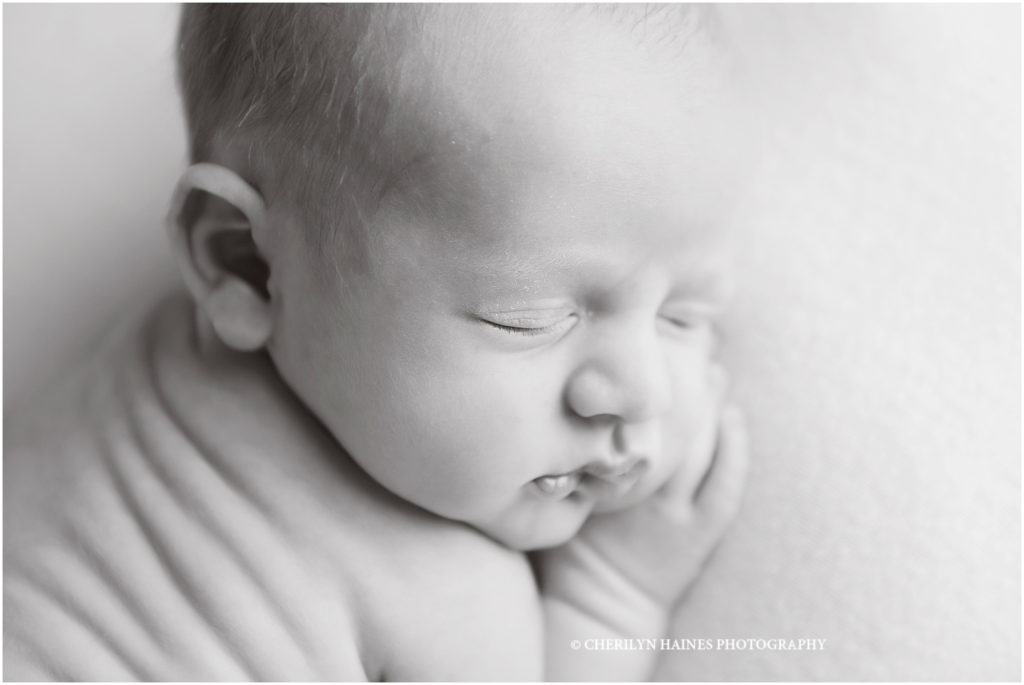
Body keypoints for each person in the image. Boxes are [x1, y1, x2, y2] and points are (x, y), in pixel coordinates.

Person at [3, 4, 749, 680]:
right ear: (247, 263)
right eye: (528, 317)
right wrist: (611, 595)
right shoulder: (455, 598)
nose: (643, 390)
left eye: (684, 315)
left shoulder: (139, 362)